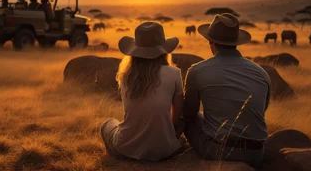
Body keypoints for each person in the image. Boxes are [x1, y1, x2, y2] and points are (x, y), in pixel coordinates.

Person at [183, 13, 271, 168]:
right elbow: (262, 109)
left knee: (191, 119)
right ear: (237, 42)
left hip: (219, 150)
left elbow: (189, 113)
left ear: (210, 41)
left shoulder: (197, 71)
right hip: (256, 154)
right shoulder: (261, 72)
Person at [100, 22, 184, 161]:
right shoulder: (174, 73)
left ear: (135, 51)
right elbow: (178, 112)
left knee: (108, 123)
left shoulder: (126, 75)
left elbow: (132, 111)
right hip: (165, 150)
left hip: (126, 148)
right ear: (163, 49)